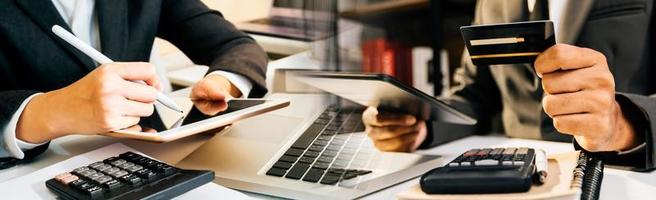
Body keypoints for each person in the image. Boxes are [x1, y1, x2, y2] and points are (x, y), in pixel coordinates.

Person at [363, 0, 656, 171]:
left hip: (621, 172)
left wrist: (619, 125)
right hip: (512, 171)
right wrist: (423, 128)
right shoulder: (489, 3)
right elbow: (473, 94)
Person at [0, 0, 267, 168]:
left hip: (159, 156)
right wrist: (49, 112)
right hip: (39, 173)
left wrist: (223, 83)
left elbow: (238, 45)